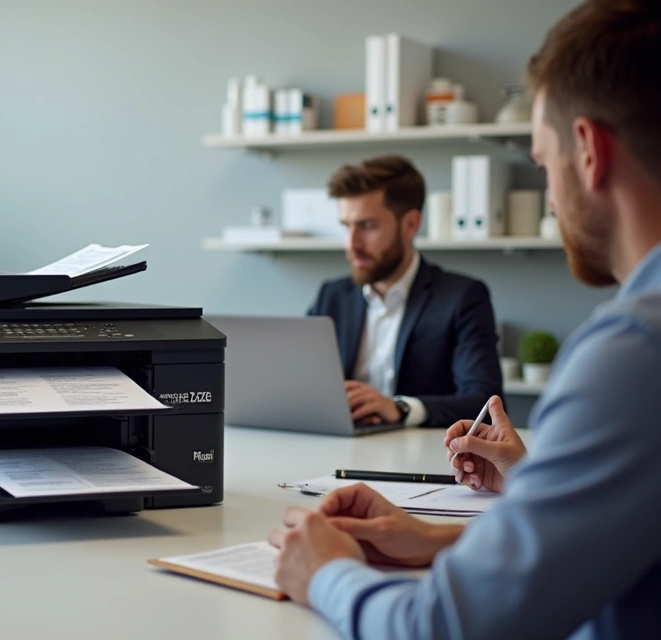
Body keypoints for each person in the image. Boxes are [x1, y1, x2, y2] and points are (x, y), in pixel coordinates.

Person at [272, 1, 661, 637]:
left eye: (540, 164)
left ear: (587, 151)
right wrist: (444, 533)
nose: (551, 198)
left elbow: (441, 628)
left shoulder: (634, 350)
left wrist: (324, 572)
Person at [308, 155, 502, 427]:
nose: (352, 243)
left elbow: (484, 401)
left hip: (419, 457)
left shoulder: (463, 297)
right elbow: (301, 384)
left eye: (368, 226)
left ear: (410, 224)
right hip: (337, 450)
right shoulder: (331, 296)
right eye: (346, 226)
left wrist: (400, 408)